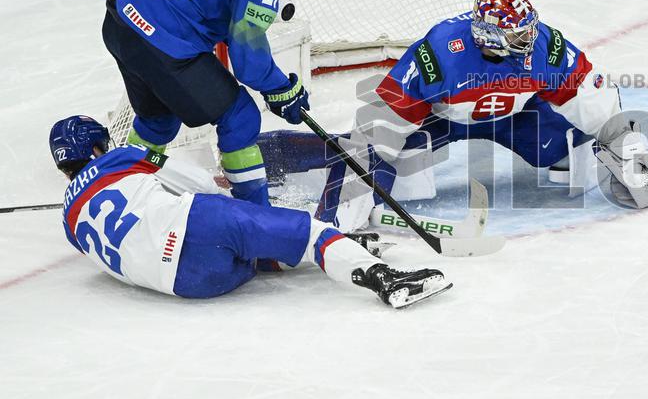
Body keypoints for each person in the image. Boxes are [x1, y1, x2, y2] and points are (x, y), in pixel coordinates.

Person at [257, 0, 648, 231]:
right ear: (489, 37)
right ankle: (271, 156)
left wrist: (626, 150)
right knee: (391, 169)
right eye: (519, 35)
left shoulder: (545, 45)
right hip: (444, 119)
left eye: (529, 30)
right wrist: (349, 205)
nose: (531, 39)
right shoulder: (441, 53)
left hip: (518, 116)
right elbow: (380, 126)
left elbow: (595, 99)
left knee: (569, 158)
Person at [50, 115, 451, 308]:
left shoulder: (68, 221)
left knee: (255, 248)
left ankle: (331, 250)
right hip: (197, 229)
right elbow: (201, 185)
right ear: (98, 147)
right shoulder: (122, 156)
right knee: (306, 230)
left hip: (192, 285)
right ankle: (383, 279)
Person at [99, 0, 313, 207]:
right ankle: (257, 220)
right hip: (163, 44)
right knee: (240, 116)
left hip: (121, 18)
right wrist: (283, 89)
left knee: (159, 119)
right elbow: (247, 59)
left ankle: (119, 190)